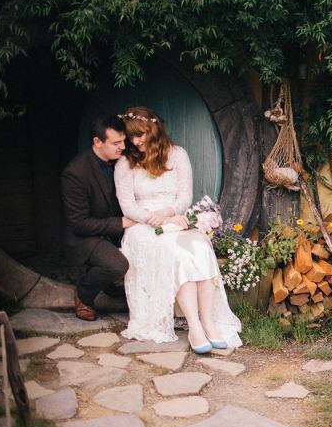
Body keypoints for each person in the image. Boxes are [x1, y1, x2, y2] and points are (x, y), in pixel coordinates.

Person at [114, 106, 241, 352]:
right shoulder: (125, 162)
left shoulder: (178, 154)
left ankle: (209, 322)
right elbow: (127, 206)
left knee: (200, 247)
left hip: (174, 217)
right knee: (180, 255)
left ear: (153, 130)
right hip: (143, 226)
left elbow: (184, 197)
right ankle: (194, 327)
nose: (135, 141)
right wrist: (158, 219)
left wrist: (169, 213)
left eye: (139, 134)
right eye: (131, 136)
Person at [61, 113, 135, 321]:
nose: (122, 146)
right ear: (97, 142)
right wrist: (120, 223)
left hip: (115, 227)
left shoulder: (123, 157)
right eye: (116, 143)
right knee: (116, 265)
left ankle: (110, 283)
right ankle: (84, 294)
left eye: (123, 140)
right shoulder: (75, 173)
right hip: (85, 235)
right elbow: (79, 224)